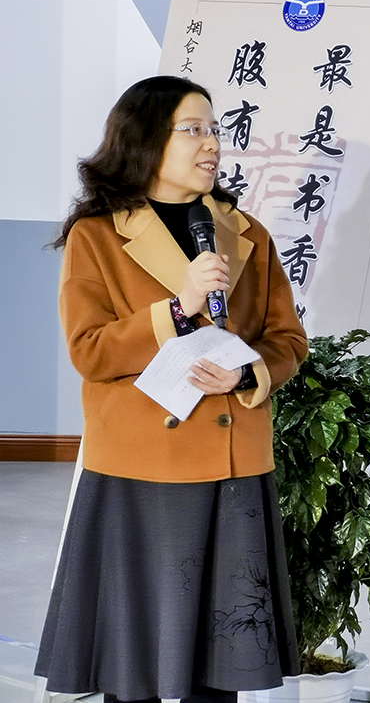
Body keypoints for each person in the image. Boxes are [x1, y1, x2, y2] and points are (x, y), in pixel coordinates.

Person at [34, 76, 309, 703]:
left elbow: (287, 339)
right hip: (141, 470)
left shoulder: (246, 232)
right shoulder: (98, 236)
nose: (212, 143)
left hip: (233, 467)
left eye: (214, 129)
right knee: (132, 667)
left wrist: (247, 374)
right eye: (193, 130)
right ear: (146, 140)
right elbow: (90, 351)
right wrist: (178, 309)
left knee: (221, 668)